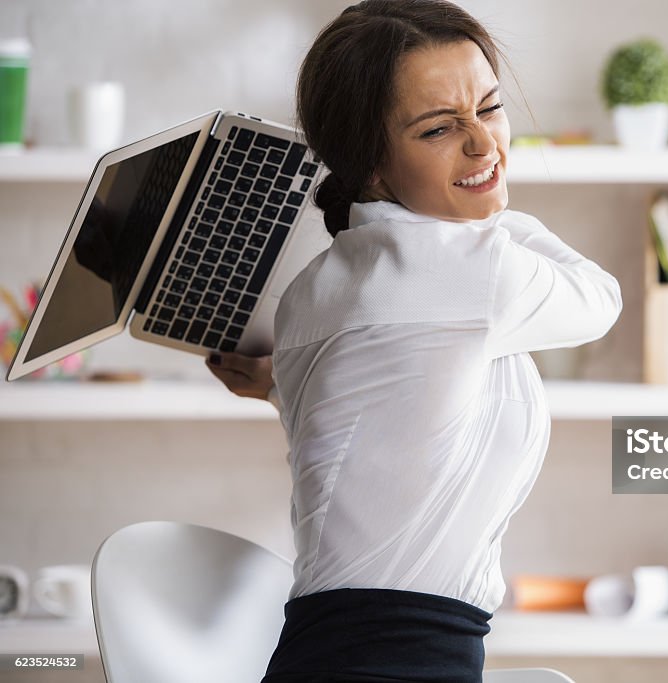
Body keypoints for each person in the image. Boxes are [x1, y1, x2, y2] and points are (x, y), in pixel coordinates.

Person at [206, 1, 622, 681]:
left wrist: (278, 382)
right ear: (370, 166)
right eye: (438, 129)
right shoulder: (475, 268)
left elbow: (374, 416)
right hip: (404, 661)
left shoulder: (316, 287)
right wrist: (492, 213)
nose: (483, 143)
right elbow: (600, 299)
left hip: (323, 652)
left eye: (489, 108)